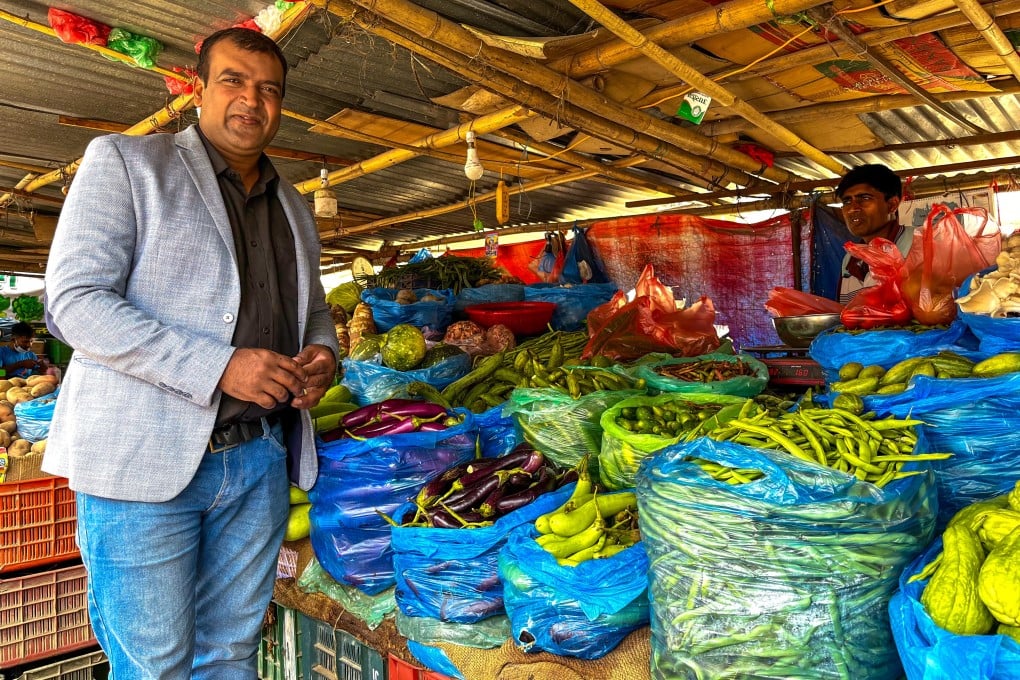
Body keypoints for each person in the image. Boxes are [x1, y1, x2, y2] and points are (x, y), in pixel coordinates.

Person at [43, 27, 338, 679]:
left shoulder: (293, 205)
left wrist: (322, 354)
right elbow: (73, 301)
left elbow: (312, 309)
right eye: (233, 80)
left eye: (269, 89)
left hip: (258, 459)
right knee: (155, 665)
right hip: (143, 467)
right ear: (197, 89)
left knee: (230, 653)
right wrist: (220, 366)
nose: (251, 100)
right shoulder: (128, 164)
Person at [836, 163, 912, 304]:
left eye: (864, 198)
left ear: (892, 205)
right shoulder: (849, 259)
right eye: (847, 201)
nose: (853, 209)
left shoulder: (918, 245)